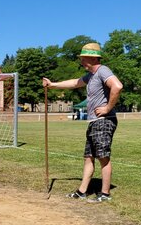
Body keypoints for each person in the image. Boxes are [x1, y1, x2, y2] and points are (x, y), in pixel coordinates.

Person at [42, 43, 123, 203]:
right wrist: (52, 85)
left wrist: (107, 108)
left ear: (92, 58)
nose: (81, 61)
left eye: (83, 58)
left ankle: (105, 194)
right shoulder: (91, 76)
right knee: (89, 157)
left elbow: (117, 86)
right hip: (94, 121)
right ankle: (82, 191)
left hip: (104, 120)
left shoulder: (102, 70)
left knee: (103, 157)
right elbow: (74, 83)